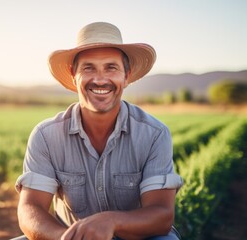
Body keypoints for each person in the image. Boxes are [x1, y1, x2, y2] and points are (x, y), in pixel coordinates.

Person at [13, 22, 183, 240]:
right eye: (88, 68)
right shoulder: (46, 135)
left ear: (126, 76)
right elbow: (30, 209)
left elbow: (162, 215)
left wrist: (110, 221)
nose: (100, 79)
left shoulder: (154, 134)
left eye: (111, 67)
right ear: (74, 75)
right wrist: (66, 237)